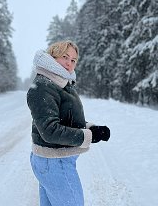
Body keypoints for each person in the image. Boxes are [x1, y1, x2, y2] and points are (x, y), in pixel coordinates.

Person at [27, 40, 110, 206]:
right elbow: (50, 131)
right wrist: (88, 136)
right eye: (65, 57)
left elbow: (67, 119)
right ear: (52, 56)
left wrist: (92, 129)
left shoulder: (60, 84)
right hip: (54, 162)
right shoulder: (44, 86)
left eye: (73, 60)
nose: (69, 63)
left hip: (53, 161)